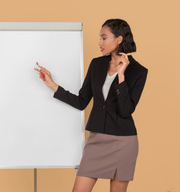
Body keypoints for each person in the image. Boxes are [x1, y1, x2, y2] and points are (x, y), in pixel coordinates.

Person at [34, 18, 148, 192]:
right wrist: (52, 85)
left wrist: (121, 76)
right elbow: (81, 101)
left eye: (104, 37)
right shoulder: (97, 64)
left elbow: (126, 110)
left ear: (118, 39)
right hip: (97, 140)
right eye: (100, 38)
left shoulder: (138, 71)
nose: (99, 42)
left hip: (124, 142)